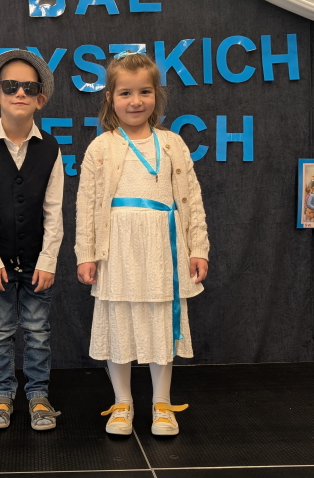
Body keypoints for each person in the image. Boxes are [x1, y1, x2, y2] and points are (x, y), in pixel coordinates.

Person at [75, 51, 209, 437]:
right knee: (119, 323)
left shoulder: (172, 144)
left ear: (156, 95)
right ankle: (122, 403)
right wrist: (86, 254)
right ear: (110, 98)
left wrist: (198, 248)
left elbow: (192, 201)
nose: (135, 101)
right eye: (126, 93)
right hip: (116, 248)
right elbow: (86, 205)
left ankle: (161, 404)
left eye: (144, 92)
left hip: (162, 246)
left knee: (160, 324)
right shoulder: (101, 147)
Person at [0, 50, 64, 430]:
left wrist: (48, 259)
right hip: (0, 263)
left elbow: (54, 212)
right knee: (1, 333)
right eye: (11, 86)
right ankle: (2, 394)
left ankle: (39, 394)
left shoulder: (51, 148)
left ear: (40, 98)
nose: (20, 92)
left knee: (38, 332)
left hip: (38, 262)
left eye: (29, 87)